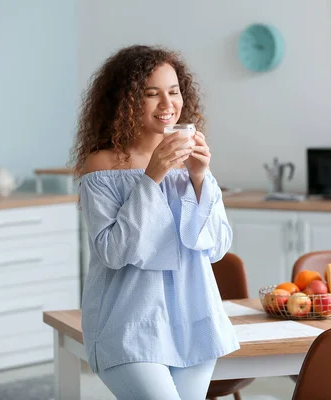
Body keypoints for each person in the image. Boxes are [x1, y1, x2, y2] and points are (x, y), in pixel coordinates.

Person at [70, 44, 240, 399]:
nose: (168, 105)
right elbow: (114, 252)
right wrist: (153, 176)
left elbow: (216, 246)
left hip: (193, 318)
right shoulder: (102, 164)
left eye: (174, 91)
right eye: (151, 94)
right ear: (126, 101)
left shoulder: (187, 158)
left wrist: (200, 177)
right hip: (129, 323)